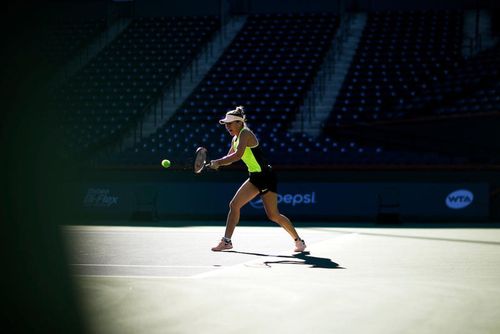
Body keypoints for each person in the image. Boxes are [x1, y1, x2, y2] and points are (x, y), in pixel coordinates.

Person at [208, 106, 307, 252]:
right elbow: (229, 158)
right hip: (254, 177)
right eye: (226, 124)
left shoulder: (246, 133)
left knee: (273, 215)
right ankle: (227, 241)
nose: (227, 126)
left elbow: (238, 155)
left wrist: (219, 162)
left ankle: (298, 241)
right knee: (234, 205)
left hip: (266, 176)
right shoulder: (235, 139)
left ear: (239, 123)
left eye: (230, 123)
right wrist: (215, 163)